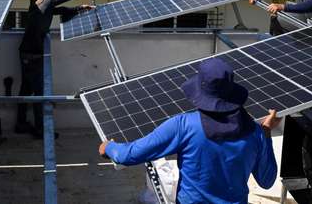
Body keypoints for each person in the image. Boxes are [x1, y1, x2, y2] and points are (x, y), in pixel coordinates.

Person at [98, 58, 281, 204]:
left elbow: (130, 155)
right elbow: (267, 181)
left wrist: (109, 148)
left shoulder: (183, 126)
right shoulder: (255, 132)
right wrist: (265, 133)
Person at [16, 0, 94, 137]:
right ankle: (41, 130)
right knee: (39, 93)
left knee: (25, 89)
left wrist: (80, 8)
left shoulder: (38, 5)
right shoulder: (49, 1)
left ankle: (21, 123)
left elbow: (62, 10)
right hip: (33, 55)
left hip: (26, 52)